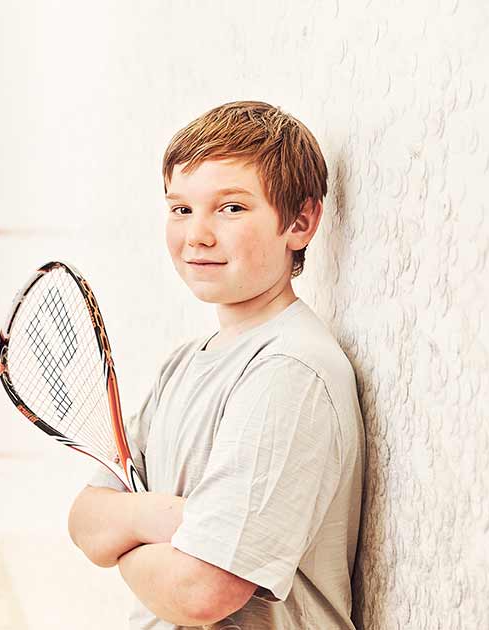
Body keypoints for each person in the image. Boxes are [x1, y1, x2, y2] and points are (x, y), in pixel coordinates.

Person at [67, 101, 366, 629]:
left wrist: (126, 542)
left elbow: (200, 592)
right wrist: (168, 517)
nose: (197, 235)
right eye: (181, 209)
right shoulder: (182, 365)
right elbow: (86, 523)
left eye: (231, 208)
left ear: (300, 221)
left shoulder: (290, 372)